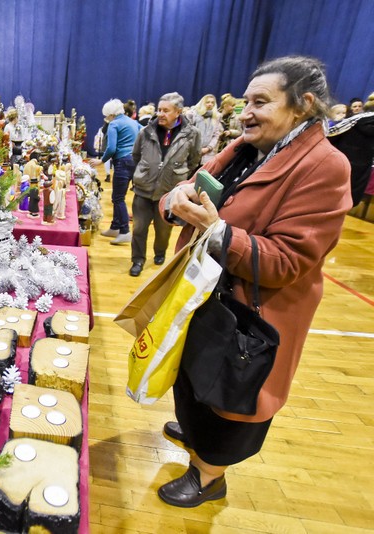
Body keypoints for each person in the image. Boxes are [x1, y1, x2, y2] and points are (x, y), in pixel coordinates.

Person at [159, 56, 351, 508]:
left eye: (260, 102)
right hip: (206, 295)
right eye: (246, 101)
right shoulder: (248, 148)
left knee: (228, 394)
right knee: (192, 377)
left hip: (248, 313)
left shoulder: (327, 165)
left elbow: (288, 260)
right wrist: (176, 198)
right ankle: (195, 432)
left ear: (303, 105)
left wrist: (216, 230)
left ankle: (209, 476)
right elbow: (190, 189)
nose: (245, 112)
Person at [128, 92, 201, 276]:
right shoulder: (145, 131)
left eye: (165, 110)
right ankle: (137, 260)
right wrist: (145, 172)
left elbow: (194, 161)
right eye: (159, 109)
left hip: (169, 193)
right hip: (143, 190)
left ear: (178, 112)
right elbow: (136, 156)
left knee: (163, 230)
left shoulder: (191, 134)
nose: (160, 113)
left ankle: (160, 253)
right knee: (138, 228)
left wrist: (178, 177)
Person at [89, 99, 141, 244]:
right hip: (135, 162)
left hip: (122, 162)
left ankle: (124, 231)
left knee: (118, 198)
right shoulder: (134, 123)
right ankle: (115, 227)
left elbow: (111, 148)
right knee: (119, 196)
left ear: (110, 114)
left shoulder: (114, 124)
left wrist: (101, 161)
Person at [188, 94, 223, 164]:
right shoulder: (193, 114)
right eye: (207, 102)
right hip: (192, 151)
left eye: (212, 102)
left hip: (207, 154)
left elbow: (216, 135)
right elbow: (188, 132)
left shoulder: (216, 116)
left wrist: (208, 148)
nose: (210, 104)